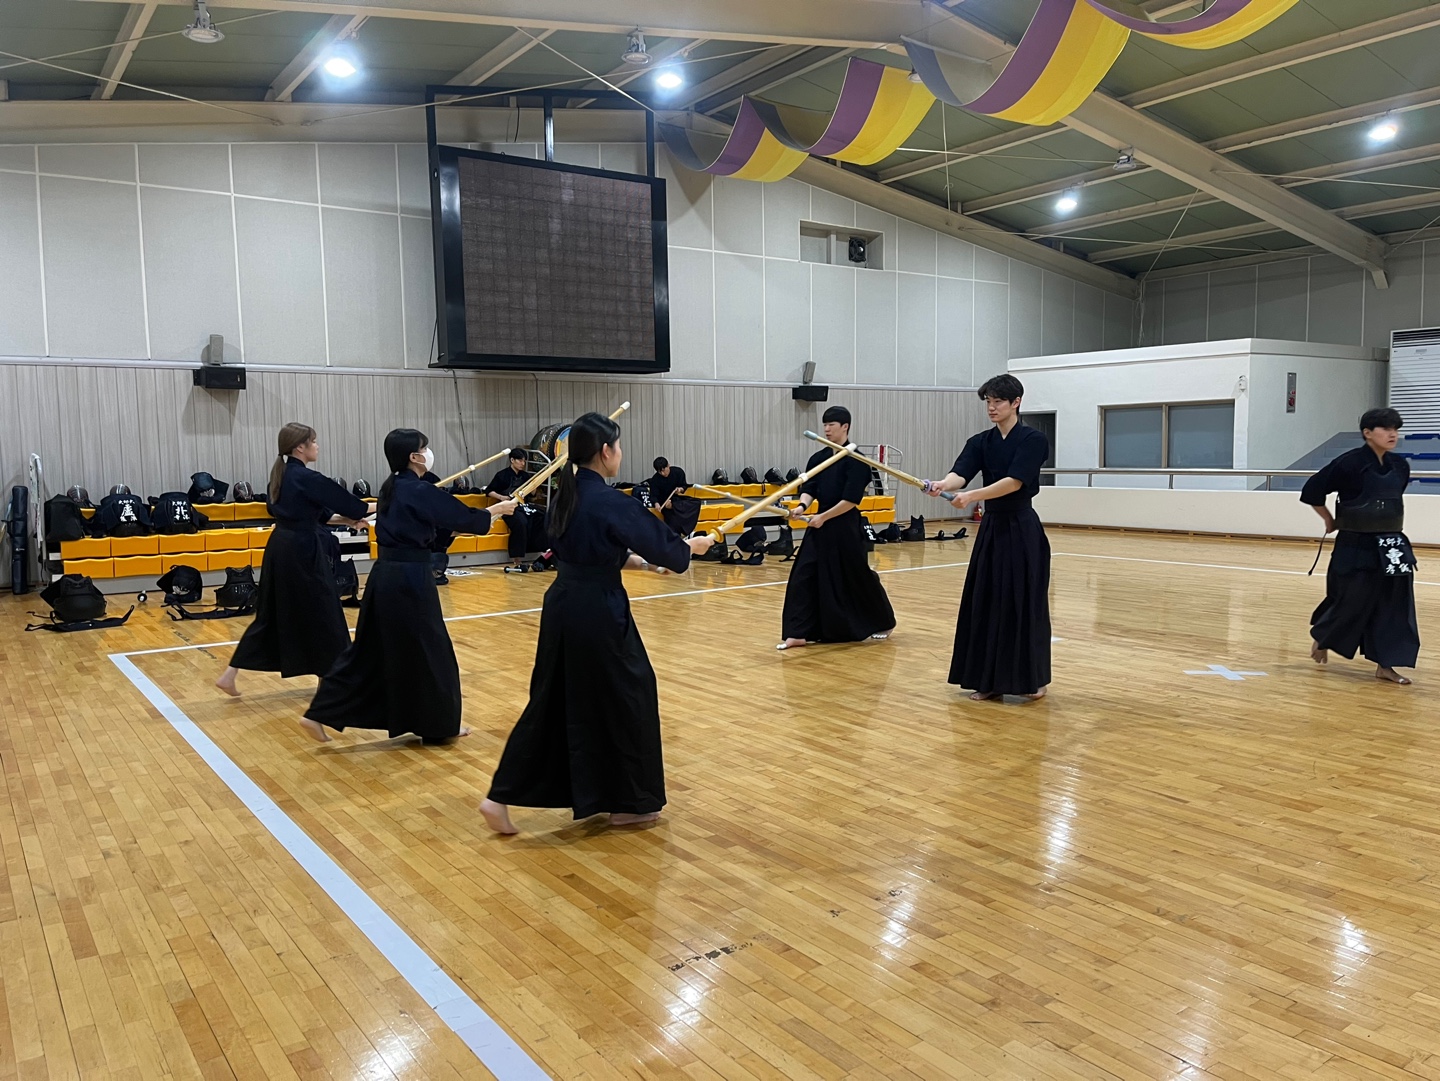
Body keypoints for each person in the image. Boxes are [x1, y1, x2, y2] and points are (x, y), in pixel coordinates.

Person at [480, 413, 715, 834]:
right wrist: (692, 545)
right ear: (605, 452)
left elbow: (591, 552)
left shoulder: (565, 496)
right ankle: (628, 802)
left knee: (554, 699)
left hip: (564, 603)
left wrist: (643, 564)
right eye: (618, 446)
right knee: (630, 694)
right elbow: (673, 554)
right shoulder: (610, 501)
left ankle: (499, 797)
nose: (620, 453)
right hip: (598, 611)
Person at [301, 429, 517, 744]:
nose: (428, 452)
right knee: (432, 651)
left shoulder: (393, 487)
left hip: (386, 576)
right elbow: (463, 518)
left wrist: (483, 515)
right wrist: (496, 510)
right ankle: (440, 725)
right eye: (424, 448)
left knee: (369, 651)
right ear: (415, 457)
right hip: (409, 579)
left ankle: (319, 712)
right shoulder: (417, 489)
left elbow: (440, 521)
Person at [216, 423, 369, 697]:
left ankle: (230, 675)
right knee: (326, 612)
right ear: (300, 447)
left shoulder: (282, 476)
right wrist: (391, 504)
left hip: (281, 547)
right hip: (302, 551)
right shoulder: (308, 478)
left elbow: (321, 516)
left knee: (271, 614)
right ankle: (330, 681)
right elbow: (355, 506)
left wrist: (349, 521)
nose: (317, 446)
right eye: (314, 441)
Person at [925, 374, 1051, 702]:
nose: (992, 408)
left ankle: (1033, 679)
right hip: (992, 529)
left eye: (998, 401)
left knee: (1023, 602)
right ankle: (988, 679)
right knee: (987, 599)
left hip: (1022, 528)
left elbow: (1014, 482)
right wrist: (943, 484)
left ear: (1016, 402)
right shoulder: (980, 441)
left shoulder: (1033, 440)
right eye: (988, 402)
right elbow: (961, 473)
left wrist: (972, 496)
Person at [1302, 407, 1418, 685]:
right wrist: (1330, 520)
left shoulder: (1400, 465)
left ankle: (1386, 665)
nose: (1393, 434)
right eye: (1385, 429)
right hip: (1355, 544)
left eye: (1395, 429)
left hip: (1392, 545)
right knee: (1350, 599)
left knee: (1395, 606)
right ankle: (1324, 636)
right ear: (1367, 433)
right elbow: (1312, 491)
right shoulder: (1349, 463)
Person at [778, 405, 896, 650]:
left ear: (845, 427)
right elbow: (809, 488)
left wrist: (824, 517)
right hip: (820, 524)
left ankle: (884, 620)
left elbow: (851, 500)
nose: (827, 429)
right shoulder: (818, 459)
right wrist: (801, 507)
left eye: (832, 425)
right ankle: (798, 632)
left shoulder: (857, 460)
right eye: (825, 425)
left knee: (857, 575)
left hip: (845, 525)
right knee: (804, 574)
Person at [486, 448, 547, 572]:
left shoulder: (525, 476)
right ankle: (517, 557)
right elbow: (488, 491)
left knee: (543, 516)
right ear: (512, 460)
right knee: (520, 522)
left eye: (524, 461)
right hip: (507, 507)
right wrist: (501, 497)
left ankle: (542, 552)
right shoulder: (502, 475)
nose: (522, 464)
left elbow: (532, 495)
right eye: (520, 460)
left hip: (523, 506)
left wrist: (534, 485)